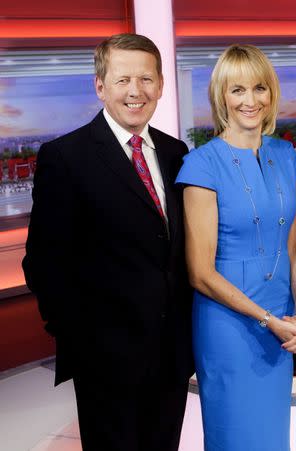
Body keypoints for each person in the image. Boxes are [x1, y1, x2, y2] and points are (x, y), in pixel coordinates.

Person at [22, 34, 193, 451]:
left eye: (146, 79)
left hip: (171, 355)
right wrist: (82, 342)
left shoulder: (176, 153)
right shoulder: (65, 157)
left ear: (161, 85)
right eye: (122, 80)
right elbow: (44, 263)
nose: (136, 92)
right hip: (106, 360)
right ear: (100, 86)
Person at [175, 44, 296, 451]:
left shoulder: (285, 154)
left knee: (271, 437)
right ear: (221, 97)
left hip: (283, 323)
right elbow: (200, 273)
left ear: (271, 93)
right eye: (237, 91)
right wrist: (270, 320)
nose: (250, 101)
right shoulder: (201, 164)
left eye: (258, 88)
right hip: (228, 326)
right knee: (235, 436)